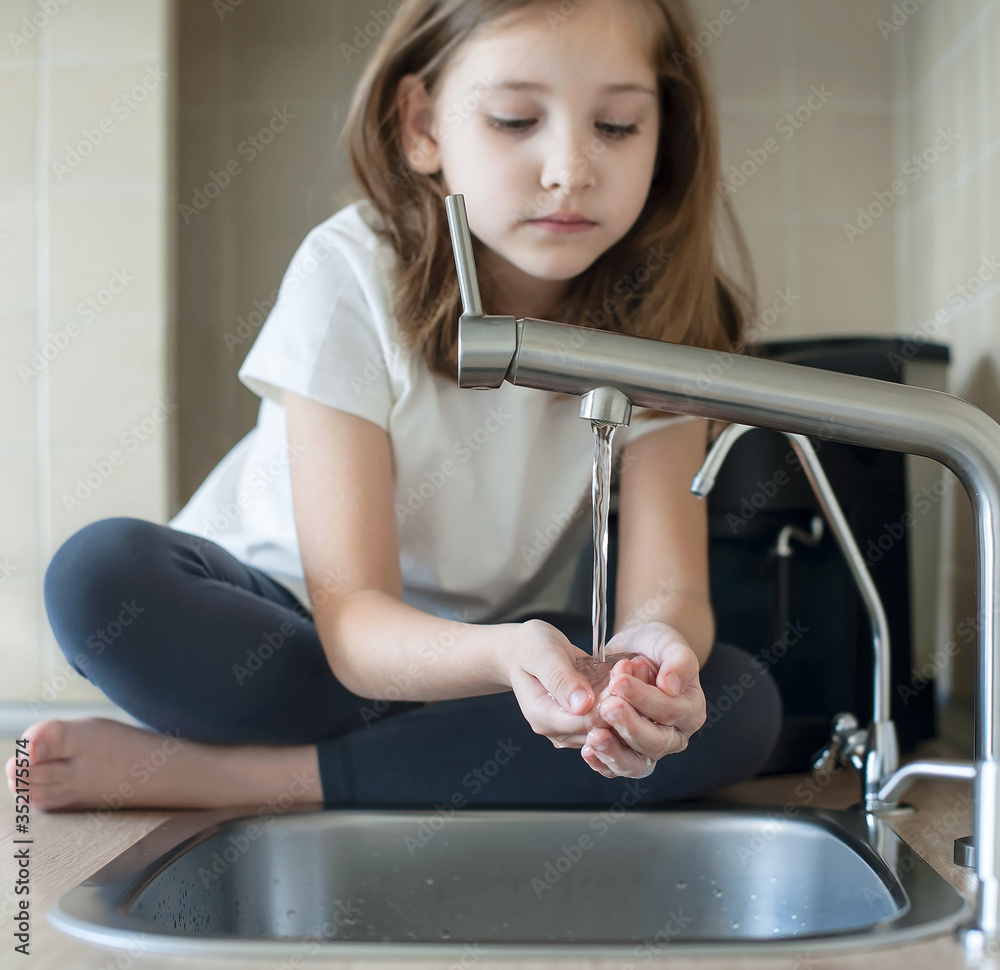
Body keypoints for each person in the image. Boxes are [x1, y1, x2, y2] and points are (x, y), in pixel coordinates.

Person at [7, 0, 781, 813]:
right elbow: (355, 627)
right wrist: (511, 664)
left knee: (736, 704)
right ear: (422, 127)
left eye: (617, 125)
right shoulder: (349, 271)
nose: (569, 168)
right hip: (291, 636)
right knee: (99, 580)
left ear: (665, 138)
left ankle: (232, 778)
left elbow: (668, 595)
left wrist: (655, 662)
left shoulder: (669, 314)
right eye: (516, 118)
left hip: (487, 659)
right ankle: (416, 759)